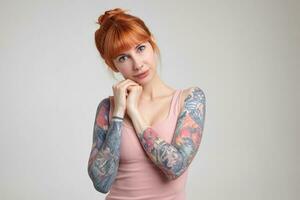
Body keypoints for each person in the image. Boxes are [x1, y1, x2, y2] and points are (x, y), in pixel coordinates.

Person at [87, 8, 206, 200]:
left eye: (141, 48)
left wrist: (134, 113)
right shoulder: (107, 109)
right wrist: (118, 114)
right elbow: (101, 183)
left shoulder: (190, 99)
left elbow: (175, 167)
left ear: (152, 42)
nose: (137, 64)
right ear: (112, 65)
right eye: (123, 58)